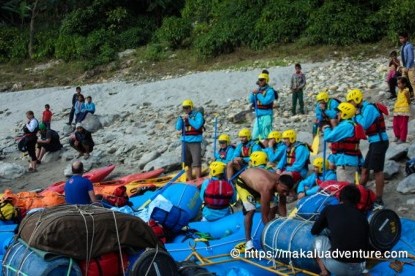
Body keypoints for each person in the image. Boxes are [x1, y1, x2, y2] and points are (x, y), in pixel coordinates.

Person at [311, 184, 369, 276]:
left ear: (339, 198)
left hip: (337, 267)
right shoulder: (363, 218)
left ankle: (324, 272)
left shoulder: (329, 209)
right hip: (359, 267)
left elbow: (314, 231)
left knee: (318, 239)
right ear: (357, 201)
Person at [347, 89, 389, 208]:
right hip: (374, 142)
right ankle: (358, 192)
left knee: (377, 171)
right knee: (365, 170)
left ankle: (379, 199)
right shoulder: (361, 109)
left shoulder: (369, 108)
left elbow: (364, 124)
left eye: (351, 101)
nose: (350, 104)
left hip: (380, 141)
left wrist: (354, 116)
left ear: (356, 99)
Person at [235, 168, 294, 250]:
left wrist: (284, 225)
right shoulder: (267, 188)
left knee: (274, 206)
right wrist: (273, 234)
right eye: (284, 191)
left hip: (257, 184)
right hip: (244, 184)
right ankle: (248, 243)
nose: (285, 194)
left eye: (287, 192)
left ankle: (273, 232)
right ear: (277, 184)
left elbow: (282, 206)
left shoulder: (282, 184)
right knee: (251, 210)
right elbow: (264, 216)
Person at [322, 102, 365, 183]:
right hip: (348, 161)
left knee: (344, 188)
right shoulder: (350, 124)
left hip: (345, 163)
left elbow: (328, 137)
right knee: (348, 188)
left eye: (339, 112)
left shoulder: (346, 126)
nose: (337, 114)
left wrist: (327, 128)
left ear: (344, 114)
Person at [175, 99, 204, 180]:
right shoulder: (183, 116)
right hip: (185, 141)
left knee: (196, 162)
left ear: (191, 107)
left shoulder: (197, 115)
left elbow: (197, 125)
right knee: (186, 162)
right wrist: (181, 119)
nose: (186, 109)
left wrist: (189, 119)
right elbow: (178, 127)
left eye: (187, 107)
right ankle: (190, 179)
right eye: (184, 108)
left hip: (195, 141)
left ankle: (198, 178)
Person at [248, 72, 275, 140]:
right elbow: (251, 100)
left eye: (262, 79)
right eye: (259, 80)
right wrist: (253, 93)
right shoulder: (258, 90)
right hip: (258, 116)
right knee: (254, 135)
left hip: (267, 115)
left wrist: (258, 94)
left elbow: (265, 101)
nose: (260, 81)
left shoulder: (270, 91)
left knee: (265, 135)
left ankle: (266, 148)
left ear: (266, 80)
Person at [393, 76, 412, 144]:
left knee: (403, 125)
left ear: (404, 84)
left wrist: (407, 106)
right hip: (397, 110)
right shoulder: (399, 91)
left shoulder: (406, 91)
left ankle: (402, 138)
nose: (398, 85)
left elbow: (409, 101)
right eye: (397, 83)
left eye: (400, 83)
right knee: (396, 124)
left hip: (404, 110)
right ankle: (397, 136)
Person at [399, 32, 415, 97]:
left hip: (410, 67)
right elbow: (402, 57)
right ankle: (404, 97)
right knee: (402, 82)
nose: (400, 40)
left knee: (413, 82)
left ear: (406, 38)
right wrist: (401, 66)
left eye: (402, 38)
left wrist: (407, 67)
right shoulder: (402, 47)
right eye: (400, 38)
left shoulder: (409, 46)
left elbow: (411, 57)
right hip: (404, 67)